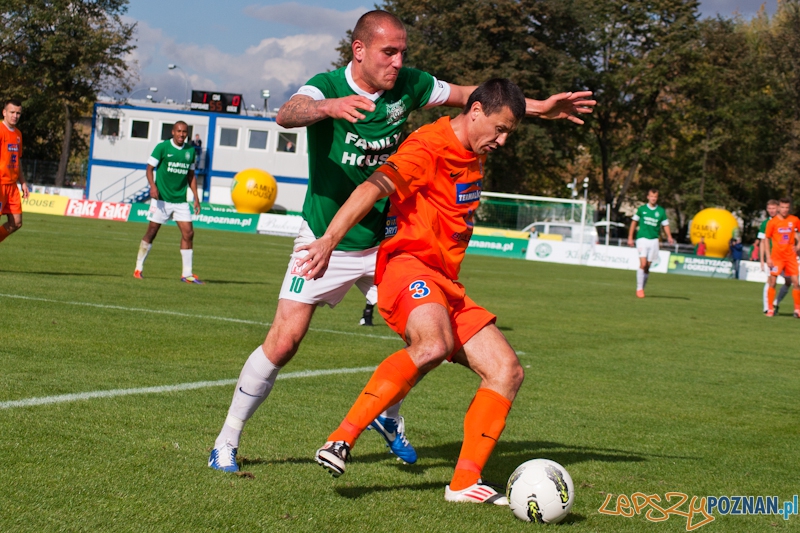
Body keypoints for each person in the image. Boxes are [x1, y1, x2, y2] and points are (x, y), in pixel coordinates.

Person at [207, 9, 595, 474]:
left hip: (389, 244)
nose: (398, 62)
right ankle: (226, 440)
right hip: (326, 235)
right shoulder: (325, 87)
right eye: (388, 52)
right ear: (359, 50)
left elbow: (475, 98)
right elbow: (286, 113)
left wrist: (539, 108)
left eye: (402, 52)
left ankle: (387, 414)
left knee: (430, 338)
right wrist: (327, 109)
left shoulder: (410, 85)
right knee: (284, 341)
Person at [302, 79, 525, 505]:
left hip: (447, 283)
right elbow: (372, 187)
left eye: (508, 133)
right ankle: (340, 439)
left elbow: (495, 98)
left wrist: (545, 106)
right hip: (407, 268)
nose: (502, 141)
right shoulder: (427, 146)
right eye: (500, 129)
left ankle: (464, 483)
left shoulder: (475, 146)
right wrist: (329, 239)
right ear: (476, 111)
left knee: (507, 370)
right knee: (433, 344)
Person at [133, 121, 203, 283]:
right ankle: (138, 268)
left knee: (189, 233)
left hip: (180, 200)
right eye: (179, 131)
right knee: (152, 232)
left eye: (184, 132)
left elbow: (191, 176)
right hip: (161, 200)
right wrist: (152, 186)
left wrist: (196, 197)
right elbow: (149, 168)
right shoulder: (162, 147)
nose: (181, 134)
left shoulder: (190, 151)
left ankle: (187, 274)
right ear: (173, 132)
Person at [627, 189, 674, 298]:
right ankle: (639, 289)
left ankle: (642, 287)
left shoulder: (661, 211)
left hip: (654, 240)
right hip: (642, 239)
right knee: (643, 264)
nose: (653, 198)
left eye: (655, 197)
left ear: (657, 198)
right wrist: (630, 237)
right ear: (648, 197)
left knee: (647, 266)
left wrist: (669, 236)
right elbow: (634, 222)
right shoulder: (642, 209)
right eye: (651, 196)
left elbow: (665, 225)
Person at [763, 197, 800, 318]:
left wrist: (798, 245)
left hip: (791, 257)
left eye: (787, 207)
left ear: (789, 208)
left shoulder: (794, 220)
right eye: (782, 207)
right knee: (772, 282)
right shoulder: (772, 222)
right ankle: (770, 309)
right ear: (779, 207)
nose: (784, 210)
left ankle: (797, 310)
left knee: (796, 283)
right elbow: (766, 239)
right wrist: (768, 257)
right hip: (776, 258)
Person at [0, 99, 29, 245]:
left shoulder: (18, 134)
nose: (15, 116)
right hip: (0, 183)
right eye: (12, 112)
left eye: (18, 113)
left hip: (12, 186)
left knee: (16, 222)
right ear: (4, 112)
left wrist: (23, 182)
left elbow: (17, 160)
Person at [759, 200, 791, 313]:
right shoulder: (765, 223)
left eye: (773, 208)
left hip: (786, 257)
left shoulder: (786, 221)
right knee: (771, 281)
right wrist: (762, 260)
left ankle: (775, 302)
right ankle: (767, 307)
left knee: (789, 281)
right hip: (773, 257)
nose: (771, 211)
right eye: (769, 208)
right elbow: (762, 242)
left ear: (778, 208)